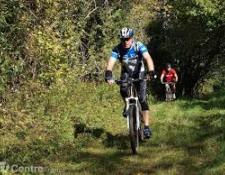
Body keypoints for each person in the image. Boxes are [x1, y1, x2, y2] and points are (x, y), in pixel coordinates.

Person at [104, 27, 155, 139]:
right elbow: (111, 62)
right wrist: (108, 73)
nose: (125, 42)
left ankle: (146, 127)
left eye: (128, 39)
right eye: (123, 39)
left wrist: (151, 71)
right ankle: (127, 104)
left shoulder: (138, 46)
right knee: (123, 89)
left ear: (132, 38)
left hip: (139, 73)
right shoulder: (117, 49)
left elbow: (148, 58)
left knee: (142, 99)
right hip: (126, 73)